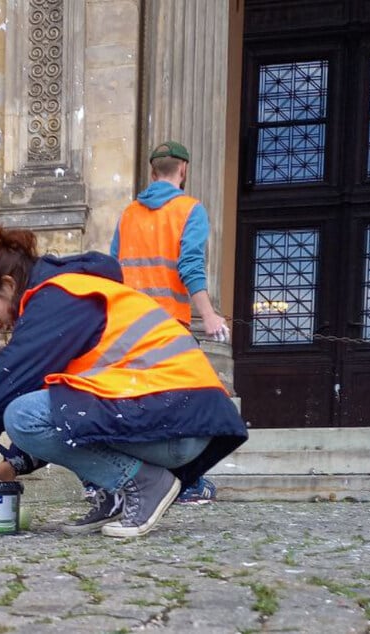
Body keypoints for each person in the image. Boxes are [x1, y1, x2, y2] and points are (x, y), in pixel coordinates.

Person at [0, 226, 247, 537]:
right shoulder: (73, 294)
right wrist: (11, 466)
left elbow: (0, 389)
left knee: (19, 414)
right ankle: (118, 495)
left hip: (174, 422)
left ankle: (144, 483)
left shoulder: (57, 298)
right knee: (42, 406)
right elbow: (62, 413)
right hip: (178, 419)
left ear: (9, 284)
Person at [111, 140, 229, 505]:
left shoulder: (129, 213)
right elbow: (190, 265)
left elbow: (112, 269)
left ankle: (129, 481)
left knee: (136, 405)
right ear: (184, 170)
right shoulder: (189, 210)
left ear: (151, 172)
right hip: (168, 329)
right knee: (191, 403)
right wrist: (209, 316)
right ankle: (186, 484)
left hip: (129, 328)